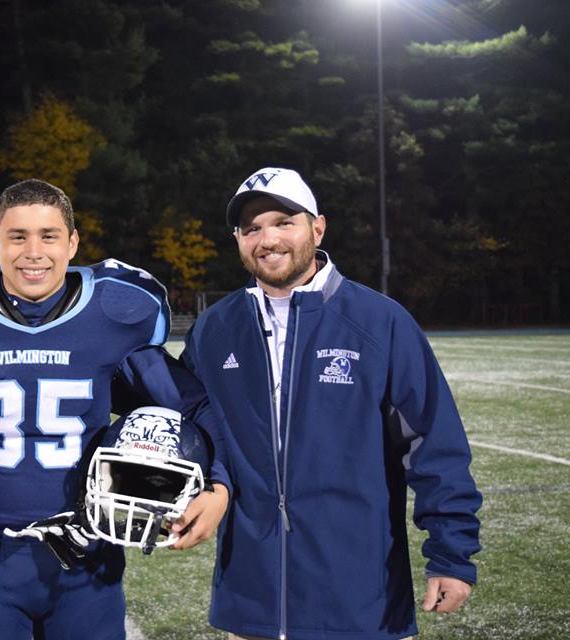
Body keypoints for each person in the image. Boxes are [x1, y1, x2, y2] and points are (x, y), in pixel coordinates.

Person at [0, 178, 229, 640]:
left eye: (49, 236)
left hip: (85, 553)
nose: (33, 252)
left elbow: (193, 406)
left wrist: (219, 486)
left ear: (72, 243)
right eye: (18, 236)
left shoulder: (113, 315)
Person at [180, 167, 482, 640]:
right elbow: (198, 435)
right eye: (251, 228)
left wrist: (451, 554)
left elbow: (433, 444)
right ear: (238, 239)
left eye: (284, 222)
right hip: (250, 602)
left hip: (359, 603)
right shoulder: (214, 330)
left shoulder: (380, 322)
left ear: (317, 228)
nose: (267, 239)